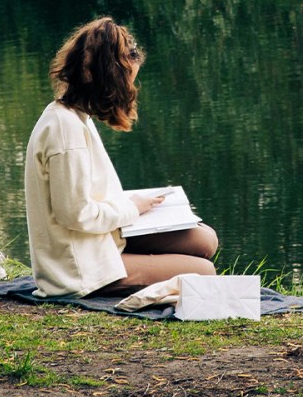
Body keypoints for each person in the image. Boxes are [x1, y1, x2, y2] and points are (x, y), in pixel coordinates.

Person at [24, 17, 218, 297]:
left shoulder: (75, 117)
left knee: (205, 239)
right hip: (80, 270)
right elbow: (76, 215)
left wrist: (137, 205)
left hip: (101, 241)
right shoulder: (65, 131)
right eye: (127, 82)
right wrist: (132, 208)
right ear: (107, 81)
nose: (130, 92)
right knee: (204, 271)